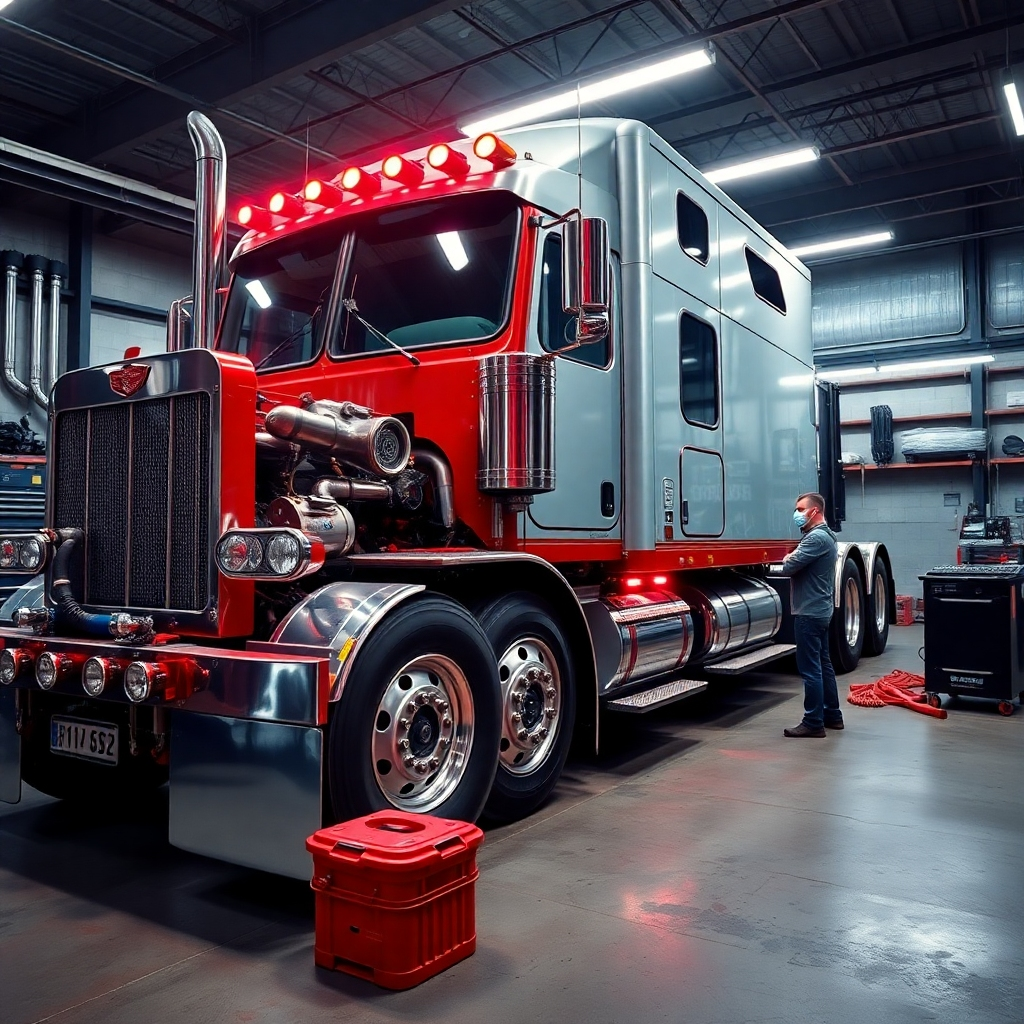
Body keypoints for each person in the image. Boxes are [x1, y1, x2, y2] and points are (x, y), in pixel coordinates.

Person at [780, 492, 843, 738]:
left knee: (810, 669)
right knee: (823, 664)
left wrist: (788, 557)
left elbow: (788, 567)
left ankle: (813, 722)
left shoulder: (815, 538)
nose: (796, 514)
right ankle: (832, 715)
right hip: (821, 610)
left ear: (814, 511)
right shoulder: (827, 536)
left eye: (800, 509)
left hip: (809, 612)